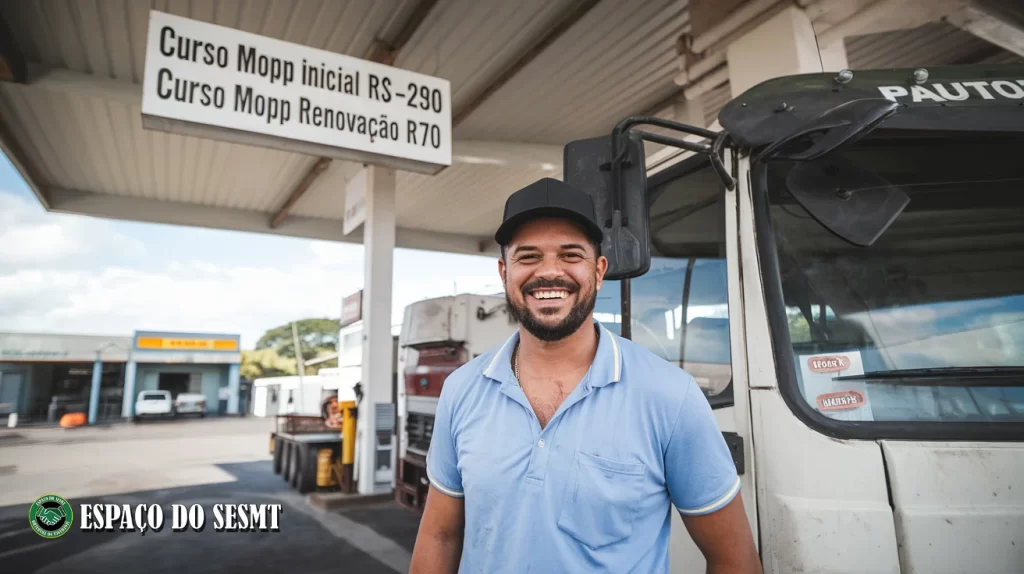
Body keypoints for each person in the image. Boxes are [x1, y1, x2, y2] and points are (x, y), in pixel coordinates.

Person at [409, 178, 761, 573]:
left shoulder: (669, 395)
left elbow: (735, 558)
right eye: (528, 257)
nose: (549, 272)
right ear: (503, 271)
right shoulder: (462, 389)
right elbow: (439, 535)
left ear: (599, 269)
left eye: (570, 254)